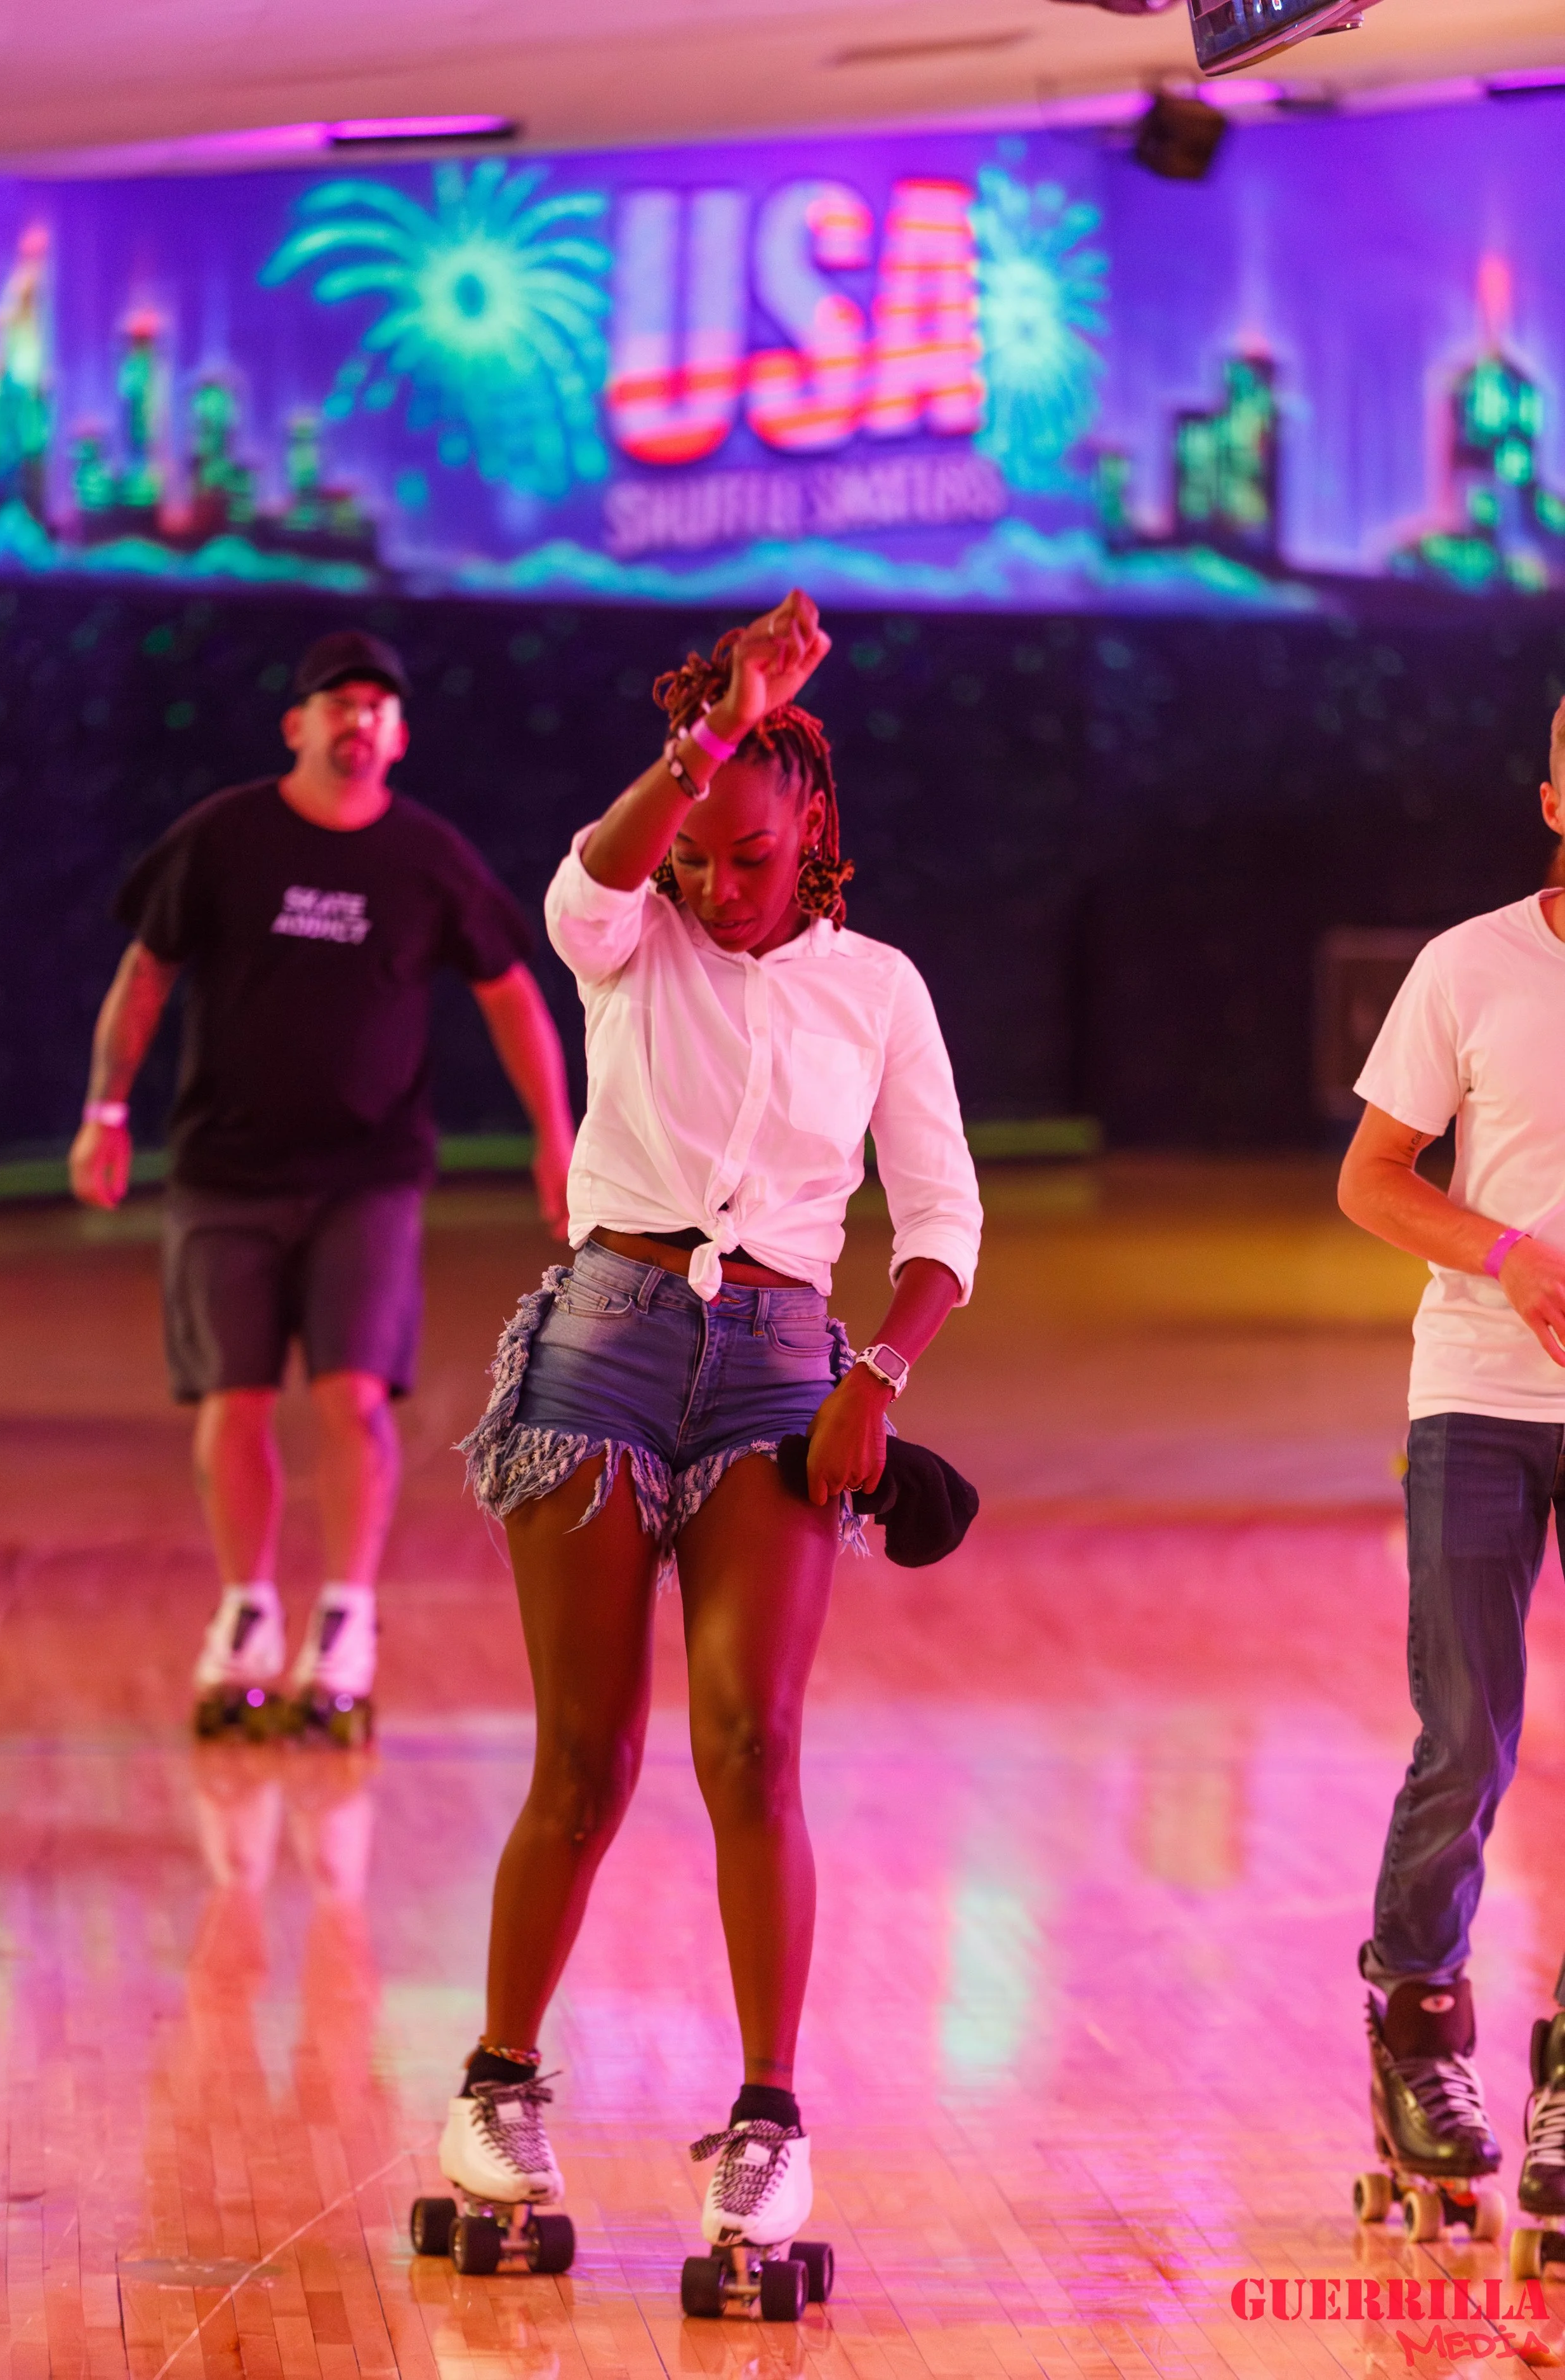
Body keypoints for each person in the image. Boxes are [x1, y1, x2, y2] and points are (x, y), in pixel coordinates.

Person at [435, 590, 982, 2272]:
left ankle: (764, 2119)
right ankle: (497, 2079)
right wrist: (702, 742)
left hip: (782, 1370)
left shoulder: (878, 989)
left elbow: (942, 1221)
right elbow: (581, 885)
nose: (715, 886)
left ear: (810, 827)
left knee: (754, 1744)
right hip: (600, 1342)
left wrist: (873, 1377)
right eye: (698, 856)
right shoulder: (632, 931)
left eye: (746, 857)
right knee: (585, 1757)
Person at [69, 628, 575, 1743]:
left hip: (369, 1178)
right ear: (295, 725)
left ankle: (345, 1616)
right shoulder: (225, 837)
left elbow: (511, 996)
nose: (358, 721)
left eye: (379, 708)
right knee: (233, 1402)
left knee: (352, 1398)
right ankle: (247, 1609)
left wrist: (556, 1135)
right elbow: (145, 973)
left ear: (400, 738)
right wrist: (107, 1109)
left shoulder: (428, 858)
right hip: (224, 1174)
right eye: (337, 703)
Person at [1339, 692, 1565, 2233]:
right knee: (1468, 1730)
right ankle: (1416, 2025)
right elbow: (1368, 1180)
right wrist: (1509, 1256)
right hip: (1478, 1394)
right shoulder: (1468, 966)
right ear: (1552, 798)